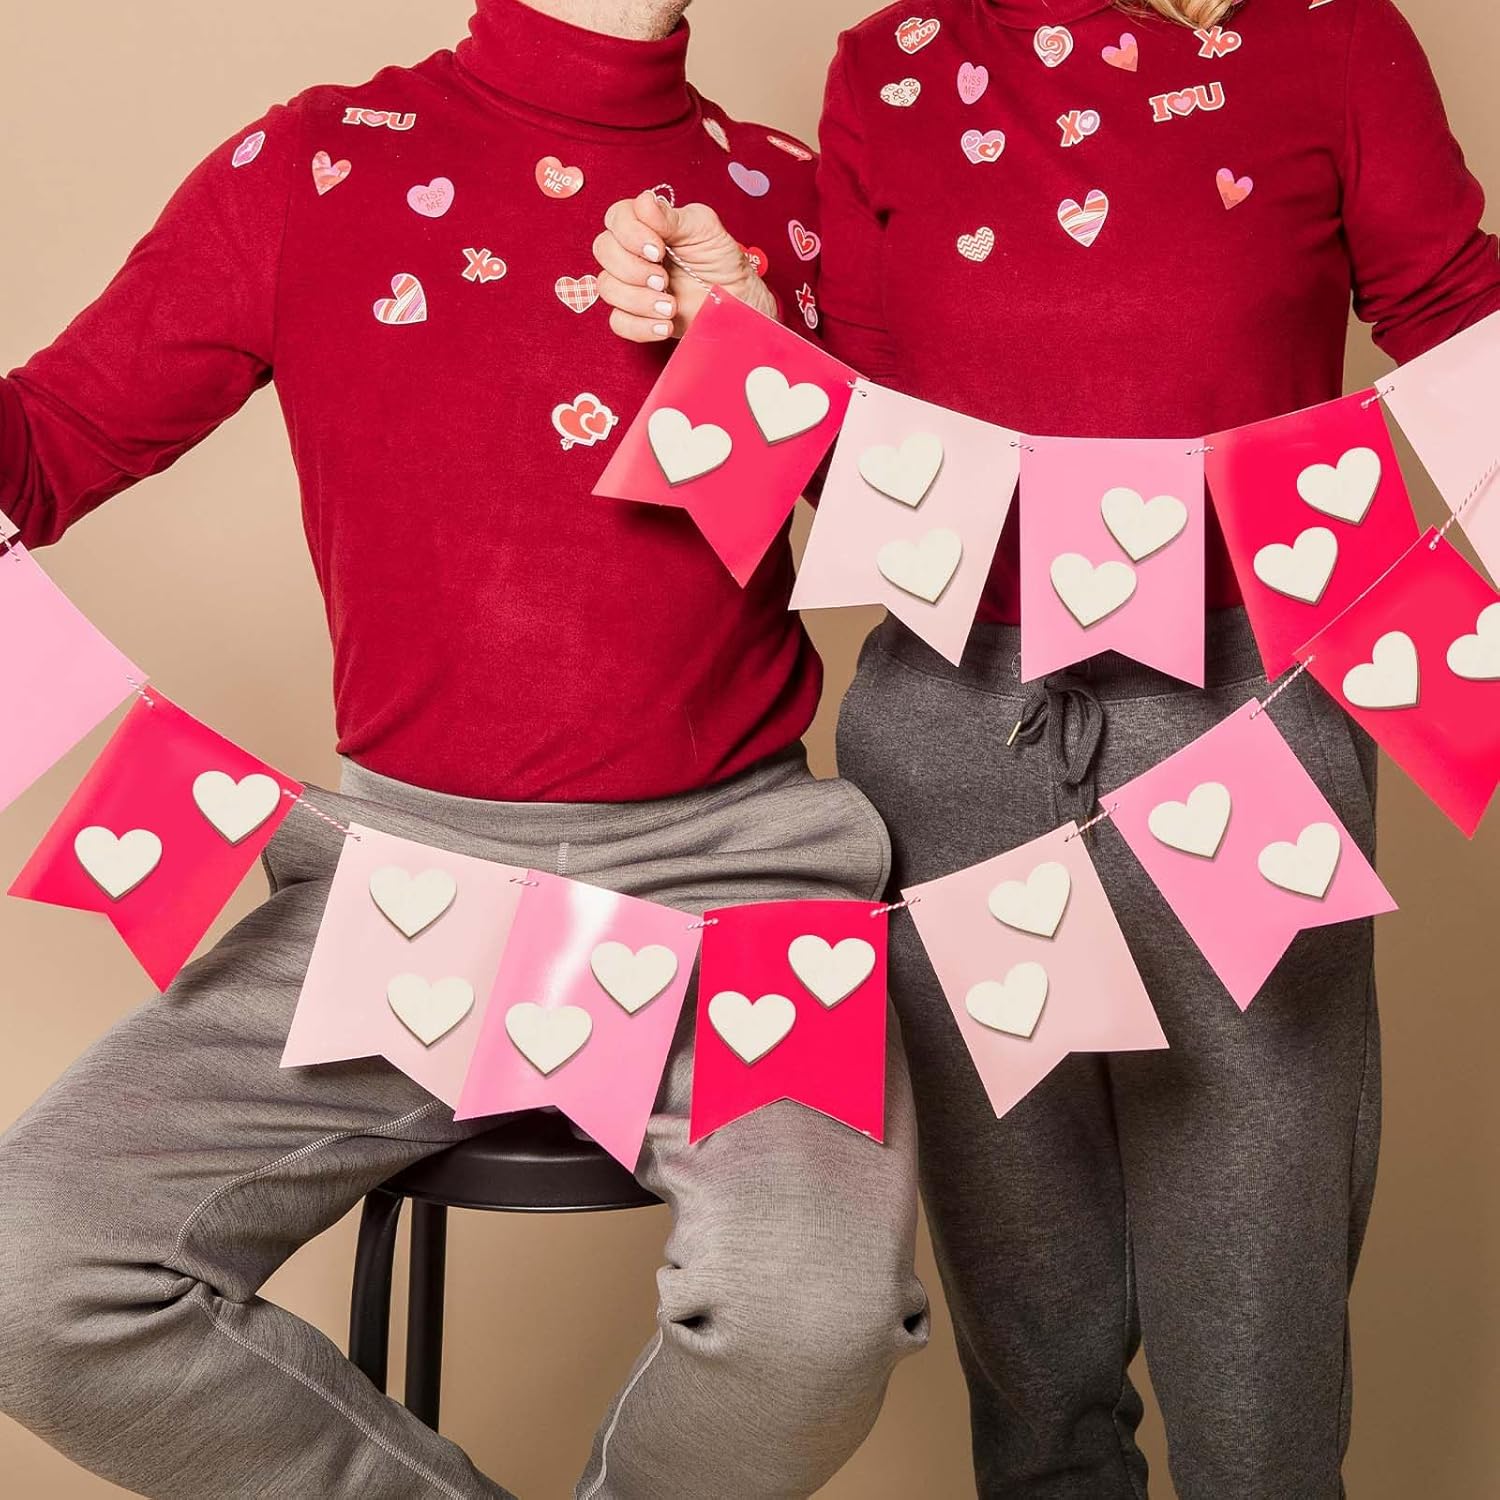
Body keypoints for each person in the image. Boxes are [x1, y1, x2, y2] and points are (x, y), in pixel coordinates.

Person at [0, 3, 929, 1497]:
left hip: (743, 890)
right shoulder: (313, 165)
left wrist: (765, 355)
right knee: (32, 1267)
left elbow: (936, 553)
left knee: (811, 1320)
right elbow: (45, 445)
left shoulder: (789, 191)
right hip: (399, 889)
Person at [600, 0, 1500, 1494]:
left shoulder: (1329, 37)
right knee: (1034, 1354)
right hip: (953, 730)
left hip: (1247, 720)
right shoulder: (887, 62)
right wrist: (743, 335)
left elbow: (1461, 314)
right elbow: (866, 451)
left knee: (1262, 1364)